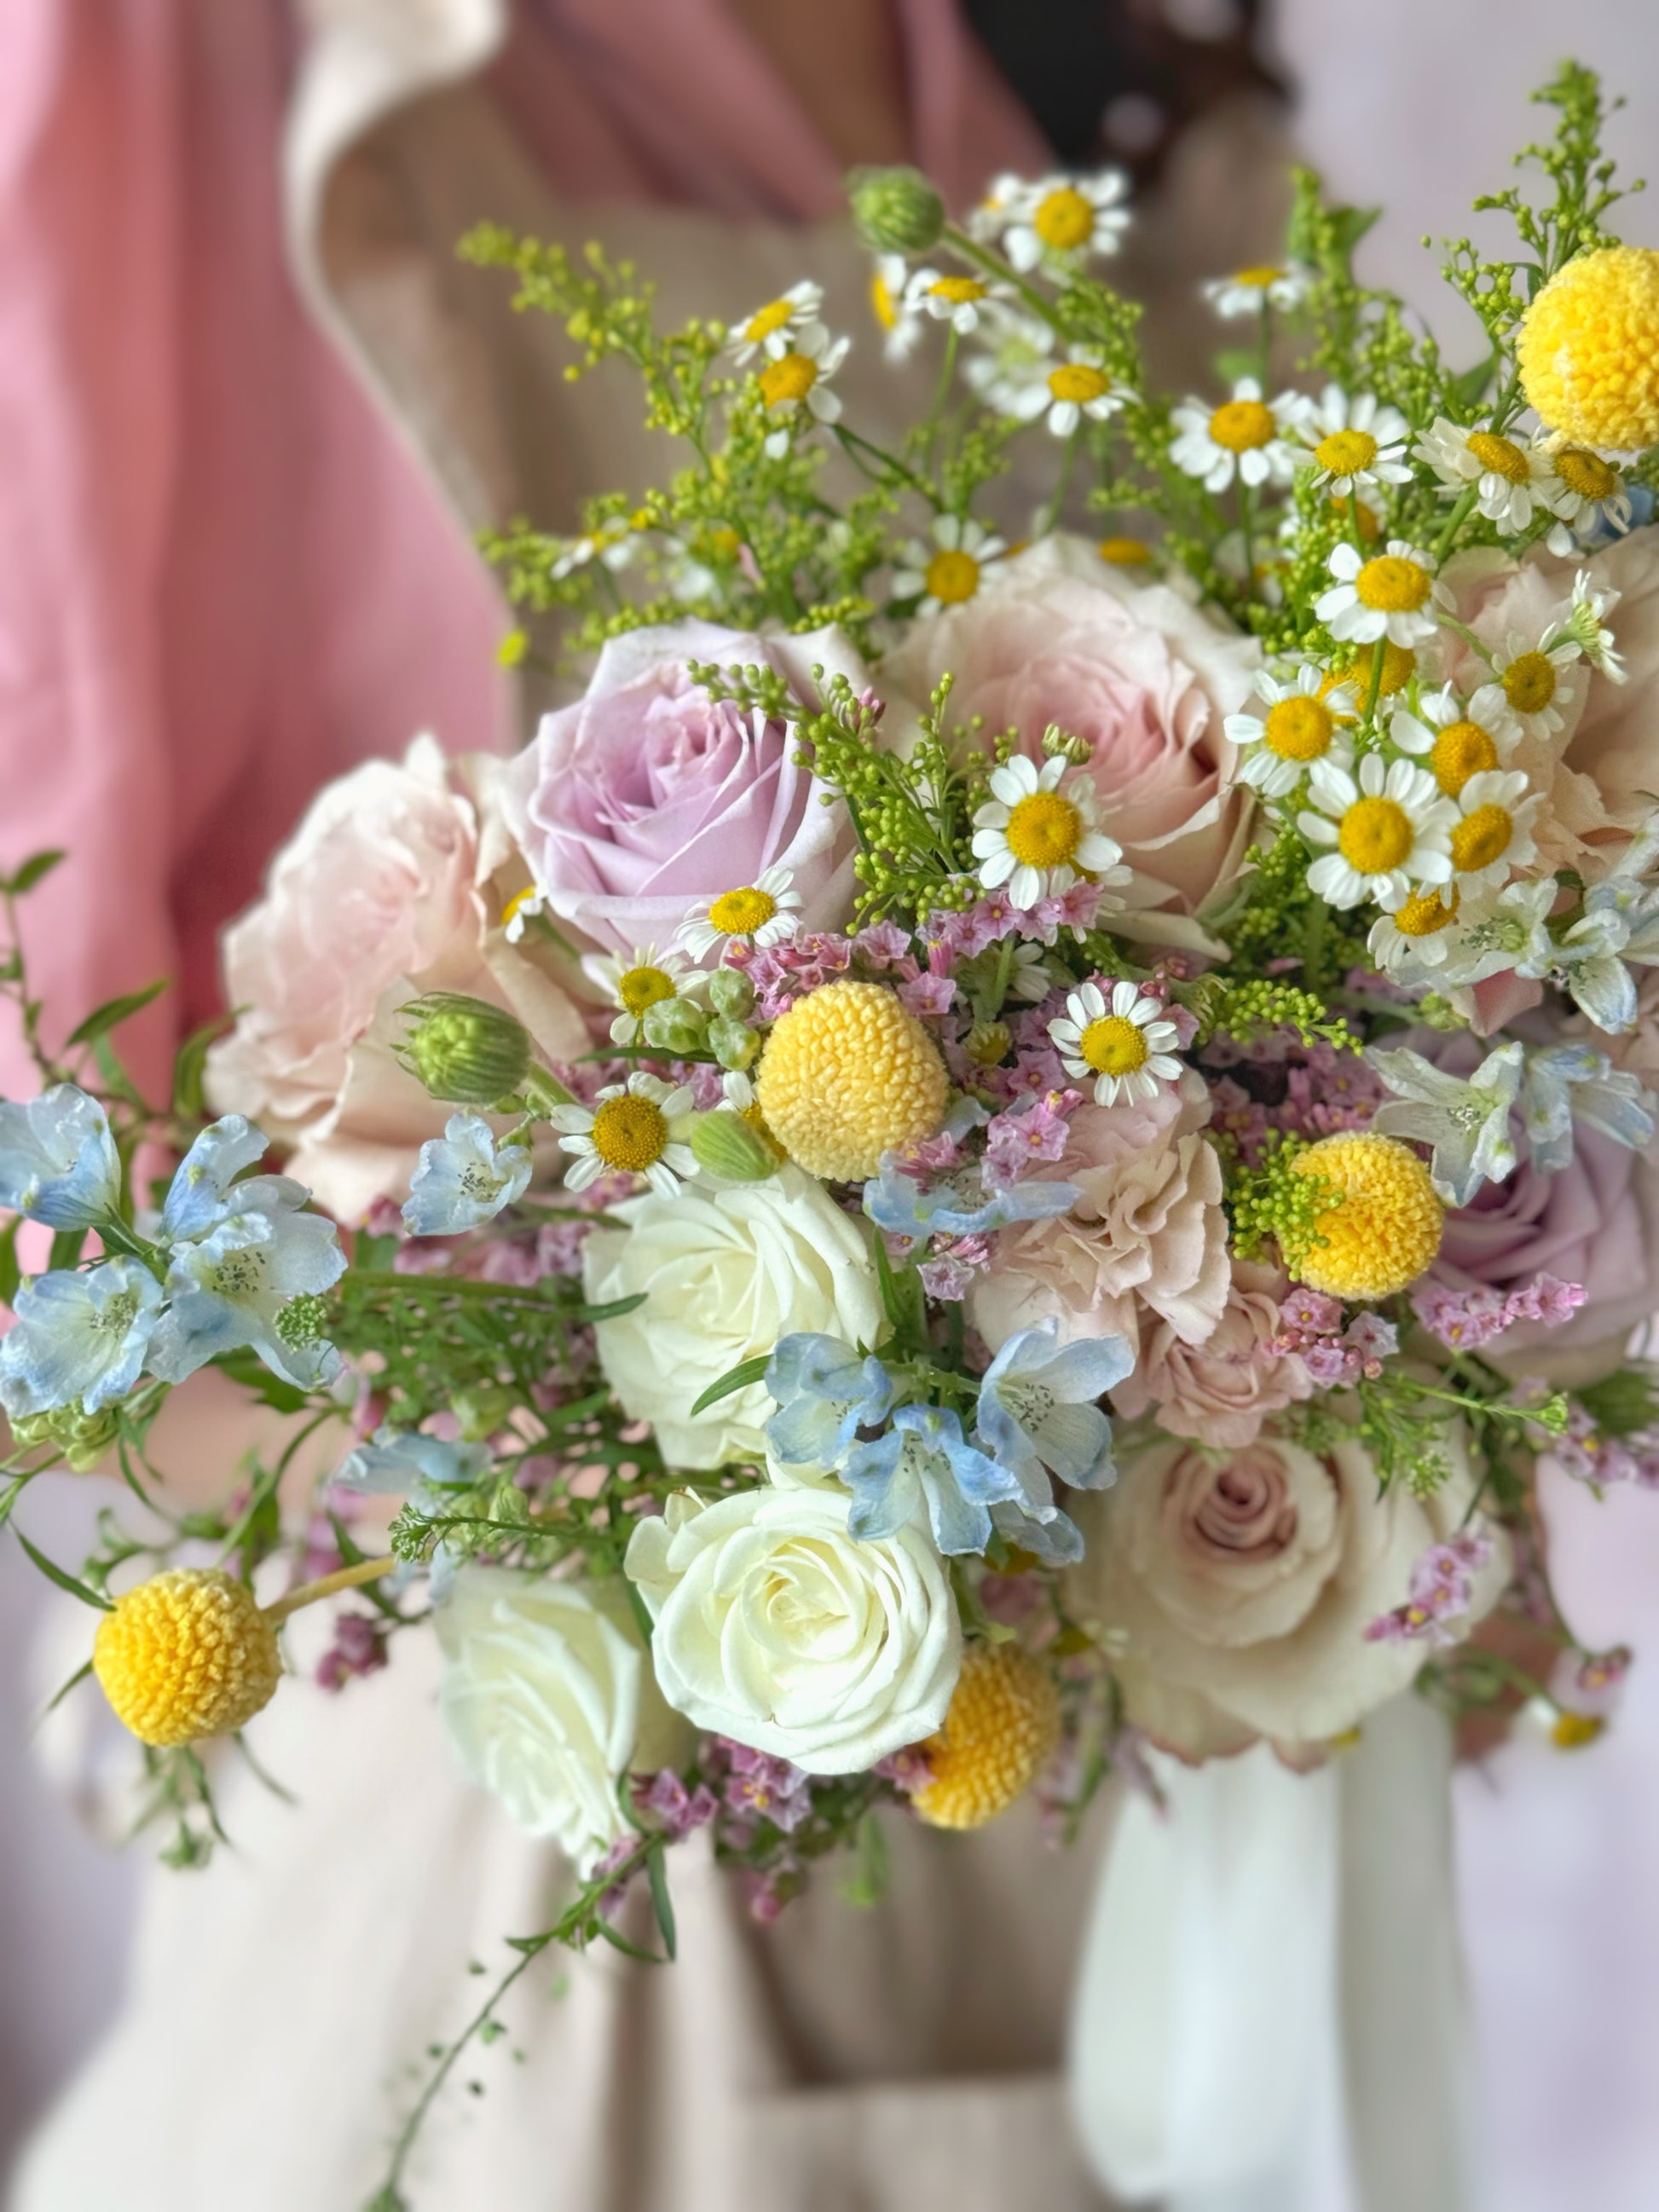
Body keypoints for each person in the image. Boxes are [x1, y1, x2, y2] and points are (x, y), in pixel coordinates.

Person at [3, 4, 1289, 2207]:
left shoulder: (1095, 73)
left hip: (1116, 1871)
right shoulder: (178, 62)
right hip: (554, 1909)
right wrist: (621, 1418)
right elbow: (67, 1270)